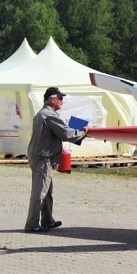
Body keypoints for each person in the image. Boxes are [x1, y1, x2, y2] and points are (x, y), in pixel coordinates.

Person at [24, 87, 90, 233]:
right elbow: (66, 133)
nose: (62, 101)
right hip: (43, 158)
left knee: (47, 190)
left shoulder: (43, 114)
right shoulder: (49, 115)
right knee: (40, 192)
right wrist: (83, 132)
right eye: (60, 98)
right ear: (52, 99)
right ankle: (32, 225)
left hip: (41, 157)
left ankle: (47, 221)